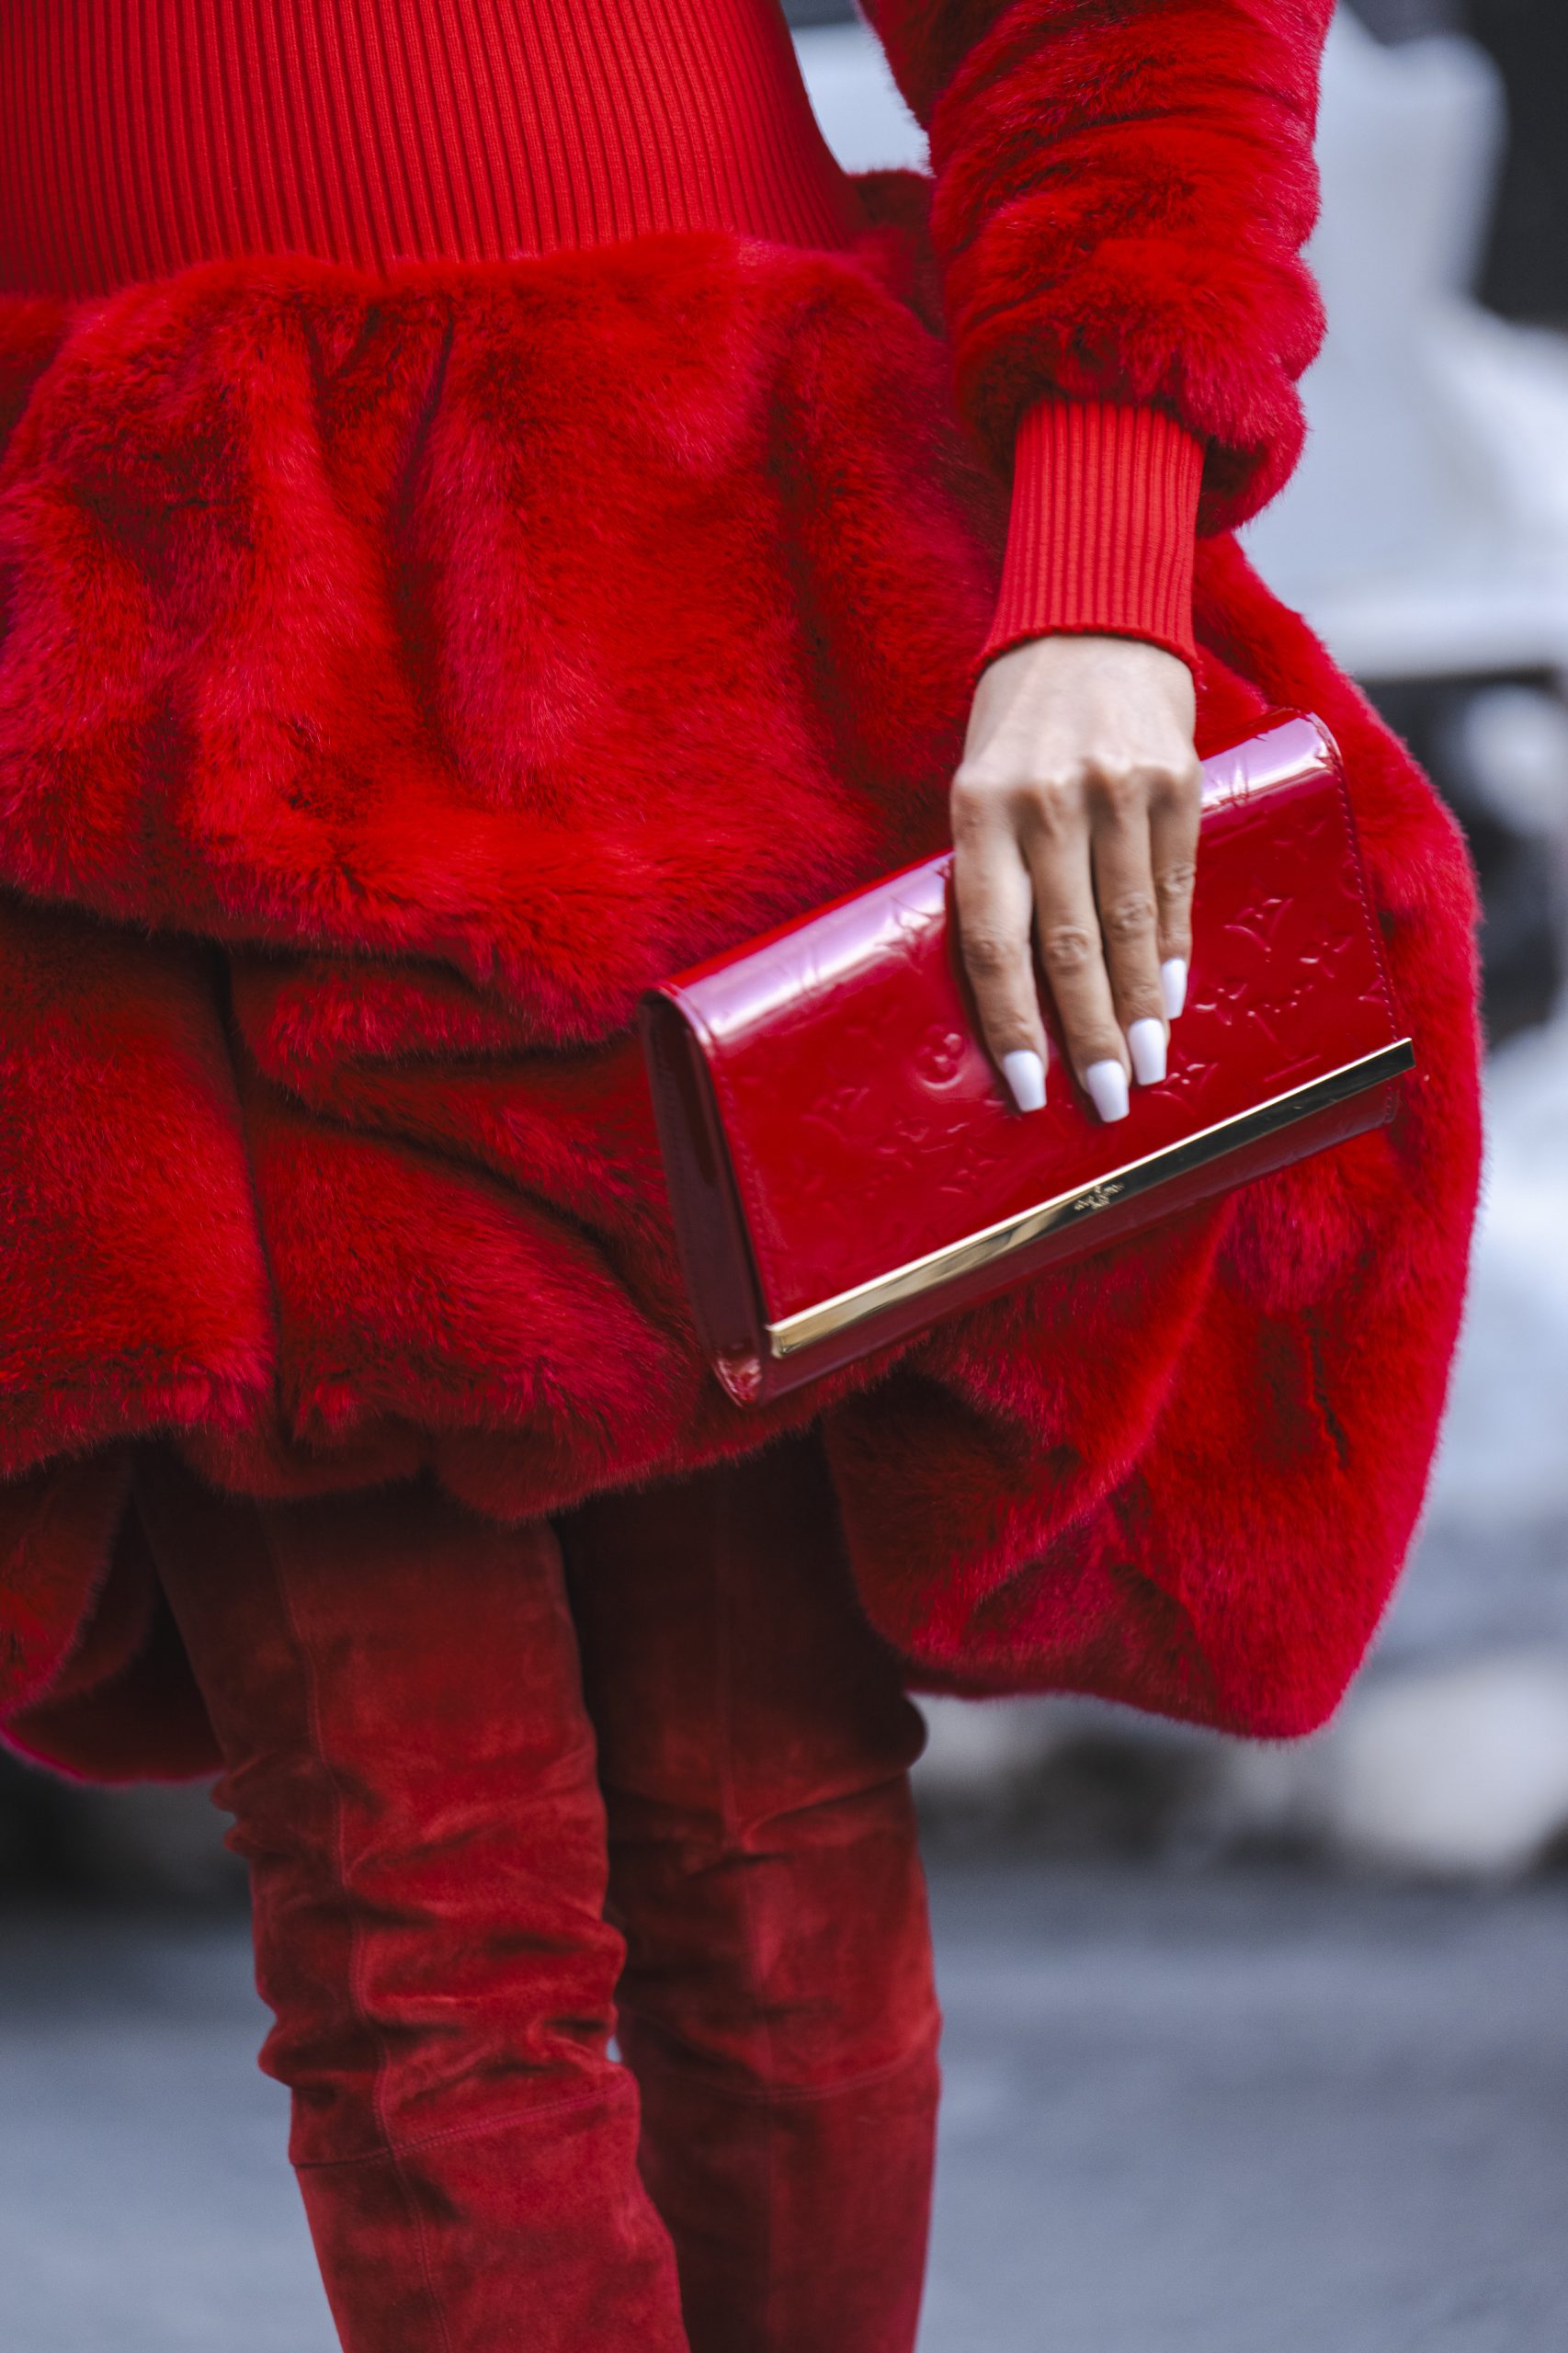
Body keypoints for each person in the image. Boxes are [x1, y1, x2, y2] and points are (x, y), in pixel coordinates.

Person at [0, 5, 1481, 2347]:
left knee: (748, 1825)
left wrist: (1098, 564)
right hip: (131, 692)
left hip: (680, 598)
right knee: (417, 1904)